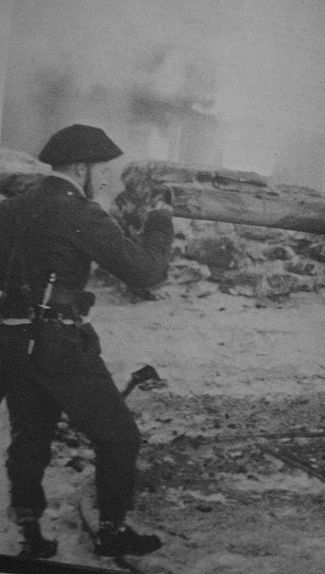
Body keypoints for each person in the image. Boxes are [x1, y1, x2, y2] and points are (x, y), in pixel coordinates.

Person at [0, 125, 173, 558]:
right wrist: (161, 220)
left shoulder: (12, 209)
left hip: (11, 341)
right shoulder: (80, 213)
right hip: (59, 344)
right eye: (105, 170)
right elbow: (147, 272)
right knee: (119, 437)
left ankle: (28, 533)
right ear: (82, 168)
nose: (109, 179)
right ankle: (113, 531)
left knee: (30, 437)